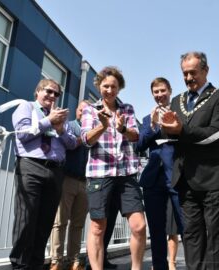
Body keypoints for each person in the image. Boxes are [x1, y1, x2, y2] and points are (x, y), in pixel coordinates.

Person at [161, 51, 219, 269]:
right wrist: (166, 128)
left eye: (193, 72)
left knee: (215, 236)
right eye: (185, 73)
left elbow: (216, 132)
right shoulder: (176, 100)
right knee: (191, 235)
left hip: (213, 177)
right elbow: (170, 136)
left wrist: (182, 129)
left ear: (206, 70)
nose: (188, 78)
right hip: (185, 178)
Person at [81, 66, 146, 270]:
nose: (109, 90)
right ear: (99, 86)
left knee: (139, 225)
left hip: (126, 174)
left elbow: (136, 136)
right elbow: (85, 140)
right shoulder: (90, 109)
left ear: (120, 88)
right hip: (100, 175)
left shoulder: (127, 109)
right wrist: (102, 126)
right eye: (106, 86)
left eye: (114, 86)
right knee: (98, 228)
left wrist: (123, 128)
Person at [10, 79, 77, 270]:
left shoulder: (60, 117)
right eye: (49, 91)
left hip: (56, 171)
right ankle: (20, 265)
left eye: (56, 94)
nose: (52, 96)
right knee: (27, 218)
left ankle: (36, 264)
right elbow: (22, 133)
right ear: (38, 91)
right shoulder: (26, 107)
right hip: (31, 166)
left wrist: (60, 129)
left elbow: (72, 143)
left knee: (45, 221)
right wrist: (49, 121)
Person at [136, 77, 183, 270]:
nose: (159, 95)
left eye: (162, 90)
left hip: (178, 177)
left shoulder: (181, 113)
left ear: (170, 90)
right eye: (156, 92)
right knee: (156, 231)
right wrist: (154, 125)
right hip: (154, 180)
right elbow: (139, 145)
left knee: (186, 226)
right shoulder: (148, 119)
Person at [49, 100, 89, 270]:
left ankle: (74, 260)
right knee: (60, 222)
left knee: (78, 224)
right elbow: (69, 143)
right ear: (77, 111)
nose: (83, 113)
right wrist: (88, 136)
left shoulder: (94, 130)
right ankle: (56, 261)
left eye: (87, 112)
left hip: (86, 182)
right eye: (81, 110)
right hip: (67, 179)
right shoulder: (69, 126)